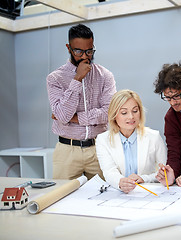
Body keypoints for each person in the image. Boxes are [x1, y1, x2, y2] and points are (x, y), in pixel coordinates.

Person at [47, 24, 116, 180]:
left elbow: (108, 113)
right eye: (78, 51)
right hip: (67, 150)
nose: (85, 56)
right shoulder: (55, 78)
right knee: (62, 198)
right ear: (69, 48)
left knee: (105, 197)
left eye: (89, 51)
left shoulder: (105, 75)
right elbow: (63, 115)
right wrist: (77, 79)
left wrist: (74, 118)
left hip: (99, 148)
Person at [96, 90, 167, 193]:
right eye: (124, 113)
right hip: (118, 195)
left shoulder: (154, 137)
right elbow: (109, 171)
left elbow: (164, 173)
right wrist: (120, 182)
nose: (131, 117)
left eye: (135, 111)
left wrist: (144, 178)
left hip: (148, 193)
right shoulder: (103, 140)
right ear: (114, 115)